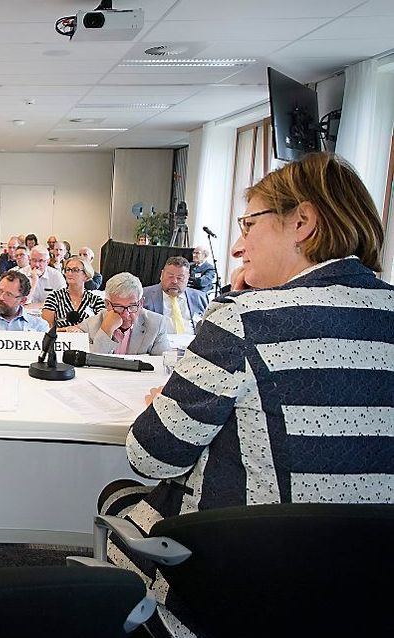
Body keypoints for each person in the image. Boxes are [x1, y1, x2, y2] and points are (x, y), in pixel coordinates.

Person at [98, 151, 394, 638]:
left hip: (244, 582)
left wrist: (166, 404)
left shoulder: (247, 318)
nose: (237, 245)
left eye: (249, 224)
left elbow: (150, 456)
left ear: (302, 222)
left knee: (121, 499)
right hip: (367, 588)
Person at [78, 272, 169, 355]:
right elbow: (91, 365)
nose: (126, 314)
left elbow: (163, 364)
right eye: (119, 307)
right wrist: (106, 330)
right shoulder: (89, 326)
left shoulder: (157, 324)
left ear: (141, 303)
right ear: (107, 304)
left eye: (132, 306)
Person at [141, 256, 209, 335]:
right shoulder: (144, 295)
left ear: (188, 278)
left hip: (191, 344)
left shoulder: (200, 298)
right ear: (162, 275)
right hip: (159, 344)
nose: (174, 281)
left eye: (180, 278)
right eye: (170, 276)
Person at [41, 256, 105, 330]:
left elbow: (102, 328)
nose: (70, 273)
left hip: (87, 340)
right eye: (68, 269)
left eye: (75, 270)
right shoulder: (54, 297)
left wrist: (81, 330)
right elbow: (45, 328)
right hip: (62, 339)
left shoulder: (96, 300)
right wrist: (66, 329)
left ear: (86, 275)